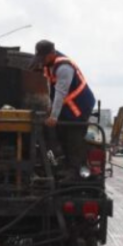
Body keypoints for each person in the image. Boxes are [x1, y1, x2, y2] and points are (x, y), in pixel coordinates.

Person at [29, 40, 96, 178]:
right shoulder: (49, 64)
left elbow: (60, 93)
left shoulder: (64, 68)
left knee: (73, 137)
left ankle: (74, 170)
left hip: (79, 107)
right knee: (60, 134)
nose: (41, 62)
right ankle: (61, 165)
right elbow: (49, 91)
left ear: (52, 54)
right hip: (67, 107)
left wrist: (53, 116)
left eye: (43, 58)